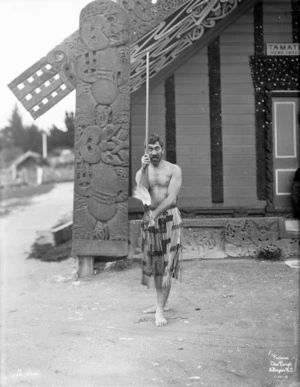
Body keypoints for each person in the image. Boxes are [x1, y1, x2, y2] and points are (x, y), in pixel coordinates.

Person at [135, 133, 183, 326]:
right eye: (149, 148)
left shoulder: (173, 170)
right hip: (151, 220)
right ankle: (159, 303)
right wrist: (143, 169)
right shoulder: (142, 172)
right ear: (145, 150)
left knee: (167, 267)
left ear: (162, 149)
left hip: (170, 218)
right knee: (156, 266)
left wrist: (155, 215)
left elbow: (171, 198)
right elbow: (142, 197)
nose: (154, 152)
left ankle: (160, 310)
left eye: (157, 148)